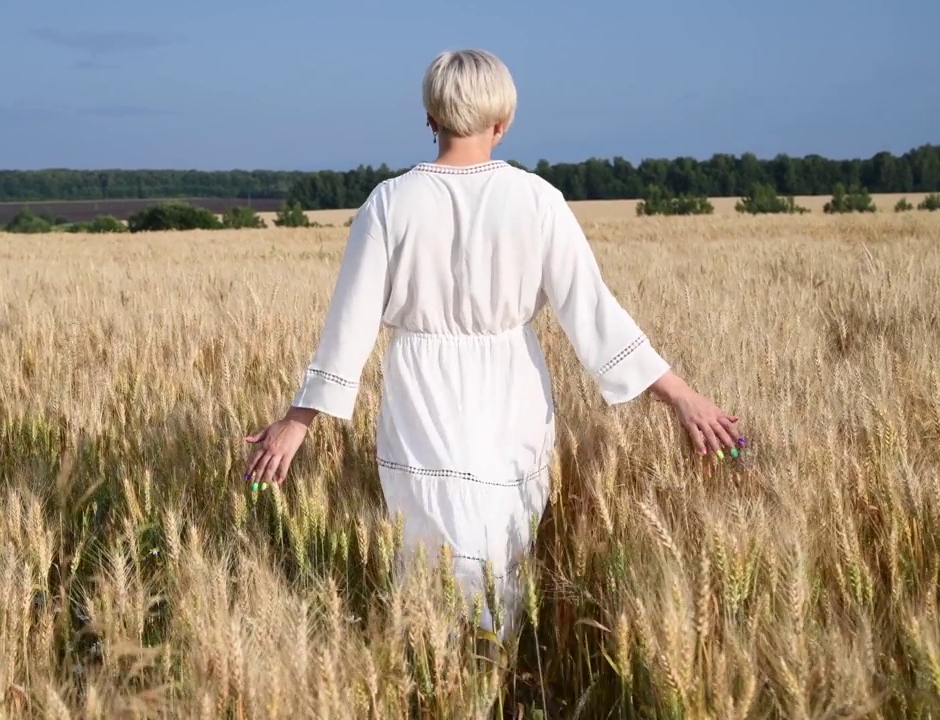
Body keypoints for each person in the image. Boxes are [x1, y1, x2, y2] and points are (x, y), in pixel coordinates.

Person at [244, 49, 740, 643]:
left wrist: (297, 421)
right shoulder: (537, 200)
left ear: (430, 118)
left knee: (426, 552)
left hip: (421, 393)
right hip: (512, 392)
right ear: (502, 123)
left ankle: (432, 677)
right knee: (502, 553)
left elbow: (348, 329)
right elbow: (594, 312)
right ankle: (492, 676)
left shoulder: (389, 202)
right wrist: (682, 396)